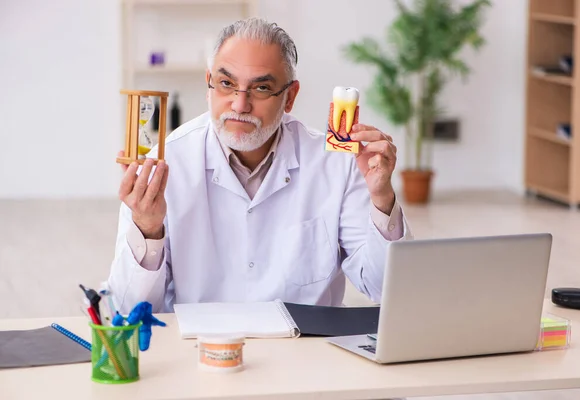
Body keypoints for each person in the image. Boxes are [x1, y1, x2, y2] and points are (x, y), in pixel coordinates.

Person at [106, 17, 413, 314]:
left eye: (261, 88)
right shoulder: (165, 164)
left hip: (308, 351)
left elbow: (386, 289)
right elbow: (130, 309)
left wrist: (382, 199)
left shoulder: (336, 163)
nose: (240, 105)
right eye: (226, 84)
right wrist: (147, 227)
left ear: (289, 97)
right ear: (208, 84)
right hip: (202, 350)